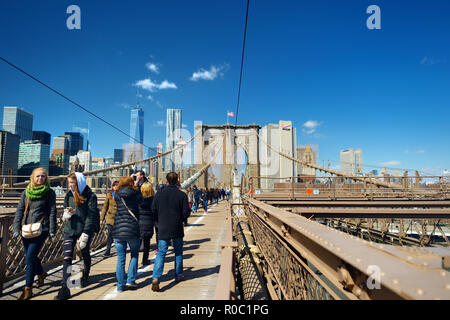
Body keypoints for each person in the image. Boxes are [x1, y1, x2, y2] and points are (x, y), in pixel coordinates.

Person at [13, 168, 57, 300]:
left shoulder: (50, 192)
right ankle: (41, 273)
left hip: (41, 229)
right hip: (25, 230)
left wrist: (52, 229)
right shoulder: (26, 192)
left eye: (43, 176)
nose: (40, 179)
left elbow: (52, 211)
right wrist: (16, 228)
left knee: (30, 256)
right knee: (30, 257)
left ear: (46, 178)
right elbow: (19, 211)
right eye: (38, 176)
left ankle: (28, 289)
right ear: (33, 177)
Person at [54, 172, 99, 300]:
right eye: (68, 183)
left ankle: (85, 275)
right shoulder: (68, 195)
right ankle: (65, 288)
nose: (70, 186)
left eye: (72, 183)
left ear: (79, 183)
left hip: (84, 229)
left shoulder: (90, 196)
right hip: (70, 229)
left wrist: (85, 233)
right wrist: (66, 214)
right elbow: (65, 208)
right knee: (67, 256)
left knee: (84, 252)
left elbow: (91, 216)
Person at [150, 172, 190, 291]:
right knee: (178, 251)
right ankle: (178, 275)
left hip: (163, 227)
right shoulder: (182, 195)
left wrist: (159, 220)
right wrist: (180, 219)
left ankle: (156, 278)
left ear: (166, 181)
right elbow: (186, 212)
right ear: (177, 180)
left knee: (161, 252)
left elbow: (153, 209)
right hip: (177, 226)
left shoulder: (159, 194)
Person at [112, 176, 142, 292]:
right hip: (132, 229)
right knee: (134, 255)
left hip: (118, 230)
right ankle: (131, 280)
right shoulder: (135, 193)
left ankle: (120, 285)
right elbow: (142, 200)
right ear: (131, 183)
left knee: (120, 258)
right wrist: (137, 184)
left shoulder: (117, 194)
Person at [100, 181, 118, 258]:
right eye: (114, 185)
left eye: (117, 185)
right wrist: (101, 218)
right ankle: (107, 251)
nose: (115, 187)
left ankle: (119, 249)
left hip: (119, 218)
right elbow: (105, 207)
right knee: (109, 235)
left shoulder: (122, 195)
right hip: (110, 218)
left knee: (118, 235)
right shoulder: (109, 195)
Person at [139, 182, 155, 266]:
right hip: (149, 223)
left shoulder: (138, 199)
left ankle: (134, 261)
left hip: (138, 223)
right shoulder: (153, 199)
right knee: (147, 243)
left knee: (137, 243)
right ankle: (145, 260)